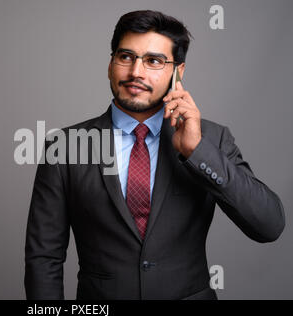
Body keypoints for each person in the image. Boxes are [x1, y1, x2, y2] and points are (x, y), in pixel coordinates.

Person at [24, 10, 285, 300]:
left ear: (178, 72)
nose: (136, 72)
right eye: (126, 57)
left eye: (154, 61)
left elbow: (268, 225)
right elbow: (43, 258)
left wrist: (197, 151)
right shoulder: (65, 147)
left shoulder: (212, 139)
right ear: (111, 64)